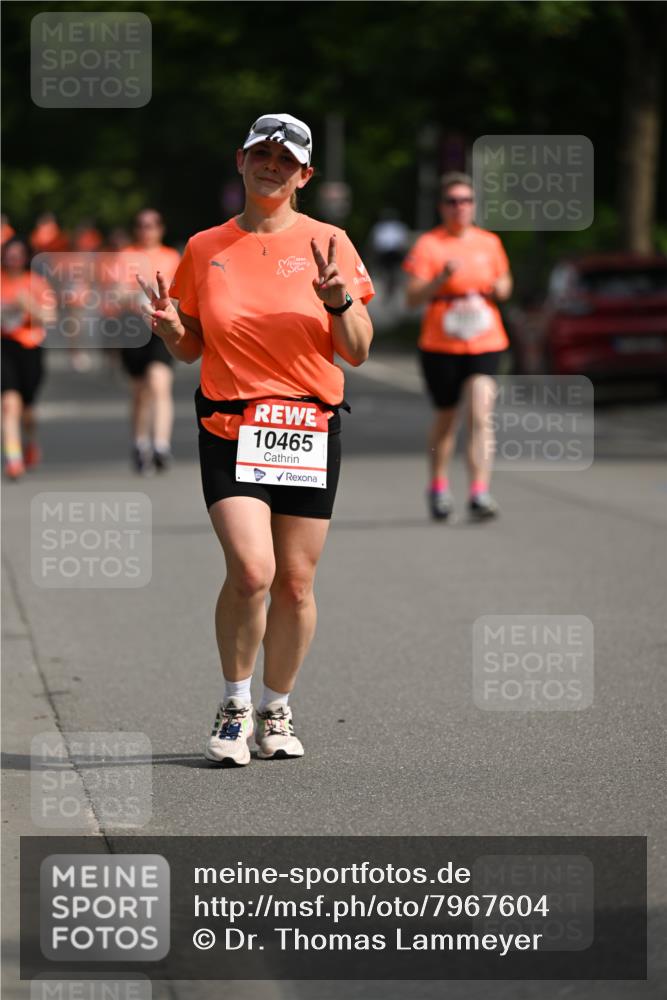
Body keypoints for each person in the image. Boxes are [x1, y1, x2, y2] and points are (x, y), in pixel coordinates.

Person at [137, 113, 374, 766]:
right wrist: (170, 330)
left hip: (308, 428)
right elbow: (191, 348)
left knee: (294, 584)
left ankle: (277, 708)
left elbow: (357, 349)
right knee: (251, 571)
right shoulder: (204, 247)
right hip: (230, 426)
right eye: (261, 154)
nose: (272, 166)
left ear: (305, 175)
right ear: (240, 161)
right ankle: (234, 703)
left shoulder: (329, 241)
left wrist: (338, 301)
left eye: (286, 159)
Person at [403, 171, 512, 521]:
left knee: (481, 411)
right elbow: (411, 299)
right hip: (441, 344)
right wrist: (442, 278)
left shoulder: (489, 243)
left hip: (486, 340)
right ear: (442, 207)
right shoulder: (429, 245)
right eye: (452, 201)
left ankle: (480, 492)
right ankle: (438, 485)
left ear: (474, 205)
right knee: (447, 418)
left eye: (466, 201)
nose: (460, 207)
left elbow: (505, 283)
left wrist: (500, 288)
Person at [117, 209, 181, 472]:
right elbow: (115, 293)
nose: (147, 230)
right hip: (133, 328)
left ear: (161, 228)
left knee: (159, 381)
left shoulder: (171, 256)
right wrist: (135, 297)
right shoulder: (125, 256)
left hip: (161, 328)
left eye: (152, 225)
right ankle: (140, 443)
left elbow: (179, 293)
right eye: (142, 225)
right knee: (140, 390)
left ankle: (161, 446)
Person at [1, 239, 55, 479]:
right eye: (9, 254)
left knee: (27, 409)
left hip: (30, 348)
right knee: (9, 403)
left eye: (18, 254)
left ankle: (30, 442)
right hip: (4, 346)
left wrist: (28, 307)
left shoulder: (36, 283)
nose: (13, 259)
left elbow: (50, 318)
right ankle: (13, 460)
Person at [369, 208, 410, 299]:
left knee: (391, 272)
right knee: (389, 273)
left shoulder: (381, 227)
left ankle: (391, 287)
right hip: (387, 255)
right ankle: (390, 286)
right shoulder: (383, 227)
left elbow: (375, 244)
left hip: (392, 254)